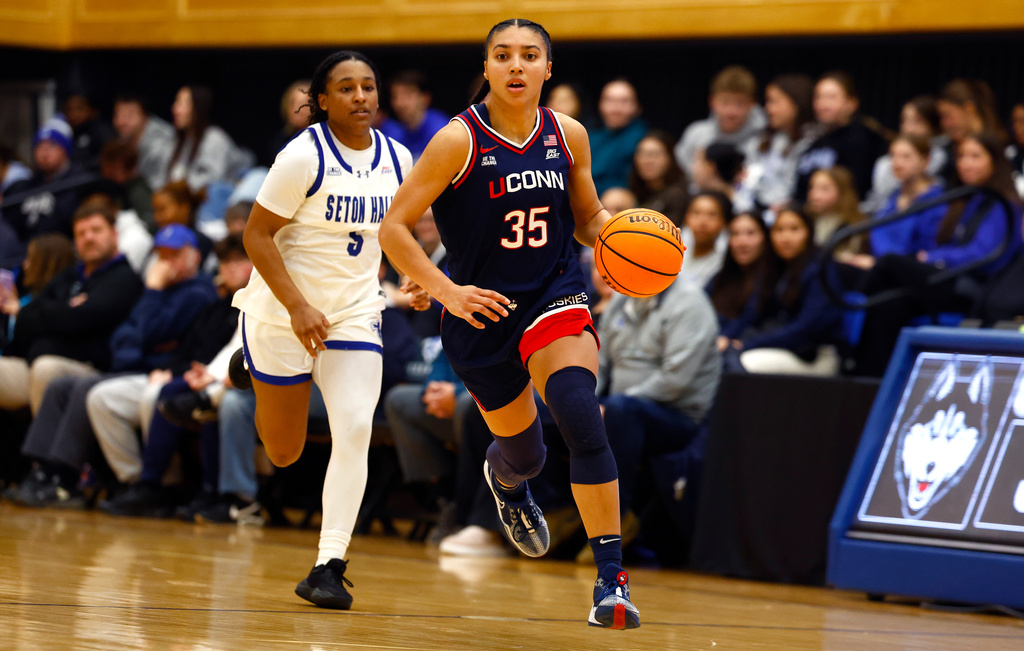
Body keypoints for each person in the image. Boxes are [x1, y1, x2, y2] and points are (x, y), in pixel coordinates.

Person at [379, 18, 641, 629]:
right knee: (524, 452)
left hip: (555, 295)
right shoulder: (455, 141)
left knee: (579, 412)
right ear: (488, 67)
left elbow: (587, 219)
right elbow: (395, 227)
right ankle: (507, 481)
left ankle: (611, 583)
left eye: (529, 56)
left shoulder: (568, 135)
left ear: (548, 69)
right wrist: (446, 290)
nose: (516, 65)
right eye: (503, 55)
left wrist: (632, 239)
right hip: (481, 310)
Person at [228, 50, 413, 610]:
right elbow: (256, 237)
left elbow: (398, 230)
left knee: (355, 427)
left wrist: (414, 273)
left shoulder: (400, 158)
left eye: (369, 86)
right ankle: (252, 368)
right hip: (283, 312)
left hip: (355, 311)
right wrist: (297, 306)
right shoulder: (301, 157)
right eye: (347, 88)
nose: (361, 96)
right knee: (283, 452)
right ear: (323, 100)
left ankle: (328, 565)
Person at [852, 132, 1023, 377]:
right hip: (949, 278)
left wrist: (932, 259)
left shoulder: (1002, 203)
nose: (966, 163)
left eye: (975, 156)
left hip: (972, 288)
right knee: (890, 304)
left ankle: (850, 307)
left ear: (995, 162)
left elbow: (984, 255)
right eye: (962, 156)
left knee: (889, 264)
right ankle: (870, 379)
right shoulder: (965, 198)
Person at [0, 203, 142, 415]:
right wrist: (64, 311)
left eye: (96, 230)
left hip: (91, 369)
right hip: (37, 360)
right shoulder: (70, 275)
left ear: (114, 234)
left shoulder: (124, 278)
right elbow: (27, 317)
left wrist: (56, 314)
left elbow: (82, 321)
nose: (89, 238)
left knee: (46, 368)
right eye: (81, 233)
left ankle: (42, 448)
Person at [721, 204, 845, 375]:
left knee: (743, 362)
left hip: (814, 355)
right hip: (781, 345)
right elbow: (752, 312)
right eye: (779, 230)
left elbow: (805, 328)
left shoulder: (820, 269)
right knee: (721, 355)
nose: (786, 237)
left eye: (794, 229)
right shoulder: (774, 268)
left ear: (809, 232)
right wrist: (726, 338)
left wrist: (747, 343)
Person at [794, 71, 889, 202]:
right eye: (818, 97)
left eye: (831, 97)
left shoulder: (863, 140)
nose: (823, 104)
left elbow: (857, 190)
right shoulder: (814, 142)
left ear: (852, 103)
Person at [675, 65, 766, 187]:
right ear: (711, 102)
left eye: (739, 103)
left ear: (753, 104)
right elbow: (678, 175)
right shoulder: (695, 134)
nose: (731, 111)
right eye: (725, 102)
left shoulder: (764, 140)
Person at [744, 73, 817, 215]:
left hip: (796, 215)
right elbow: (749, 183)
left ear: (796, 103)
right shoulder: (762, 141)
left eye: (774, 101)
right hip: (759, 213)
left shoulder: (814, 143)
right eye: (767, 102)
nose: (768, 109)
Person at [863, 96, 948, 214]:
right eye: (904, 120)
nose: (909, 128)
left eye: (917, 121)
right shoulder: (884, 166)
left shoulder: (938, 159)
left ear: (925, 160)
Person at [164, 85, 250, 192]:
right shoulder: (184, 141)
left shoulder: (215, 139)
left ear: (198, 107)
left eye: (182, 104)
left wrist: (181, 186)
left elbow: (214, 181)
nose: (175, 109)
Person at [707, 209, 771, 338]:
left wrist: (725, 338)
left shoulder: (772, 278)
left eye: (750, 233)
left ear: (765, 237)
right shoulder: (721, 276)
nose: (742, 242)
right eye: (735, 234)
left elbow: (749, 320)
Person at [589, 78, 648, 197]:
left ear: (636, 106)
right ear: (600, 105)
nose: (616, 109)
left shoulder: (644, 139)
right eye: (610, 101)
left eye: (624, 102)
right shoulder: (590, 136)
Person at [379, 70, 450, 162]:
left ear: (425, 98)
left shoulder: (441, 131)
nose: (400, 103)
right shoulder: (396, 134)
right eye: (395, 96)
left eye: (407, 95)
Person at [112, 92, 176, 193]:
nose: (121, 121)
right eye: (117, 115)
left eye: (129, 115)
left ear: (144, 116)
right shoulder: (123, 139)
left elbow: (160, 188)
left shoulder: (161, 142)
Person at [628, 130, 690, 226]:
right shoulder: (632, 189)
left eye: (655, 155)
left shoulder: (677, 195)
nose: (647, 161)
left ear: (669, 158)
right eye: (642, 154)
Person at [804, 166, 867, 255]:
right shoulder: (804, 220)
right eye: (812, 187)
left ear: (842, 192)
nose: (815, 196)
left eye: (824, 189)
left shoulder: (854, 226)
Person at [680, 191, 730, 286]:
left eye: (712, 214)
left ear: (724, 222)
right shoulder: (674, 242)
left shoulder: (725, 261)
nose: (702, 222)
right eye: (696, 213)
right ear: (686, 217)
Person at [263, 80, 313, 166]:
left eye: (303, 104)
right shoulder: (279, 142)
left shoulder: (327, 140)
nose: (297, 110)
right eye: (293, 103)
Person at [63, 92, 116, 171]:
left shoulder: (102, 132)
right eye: (69, 109)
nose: (73, 114)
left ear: (92, 110)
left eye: (79, 108)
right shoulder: (67, 133)